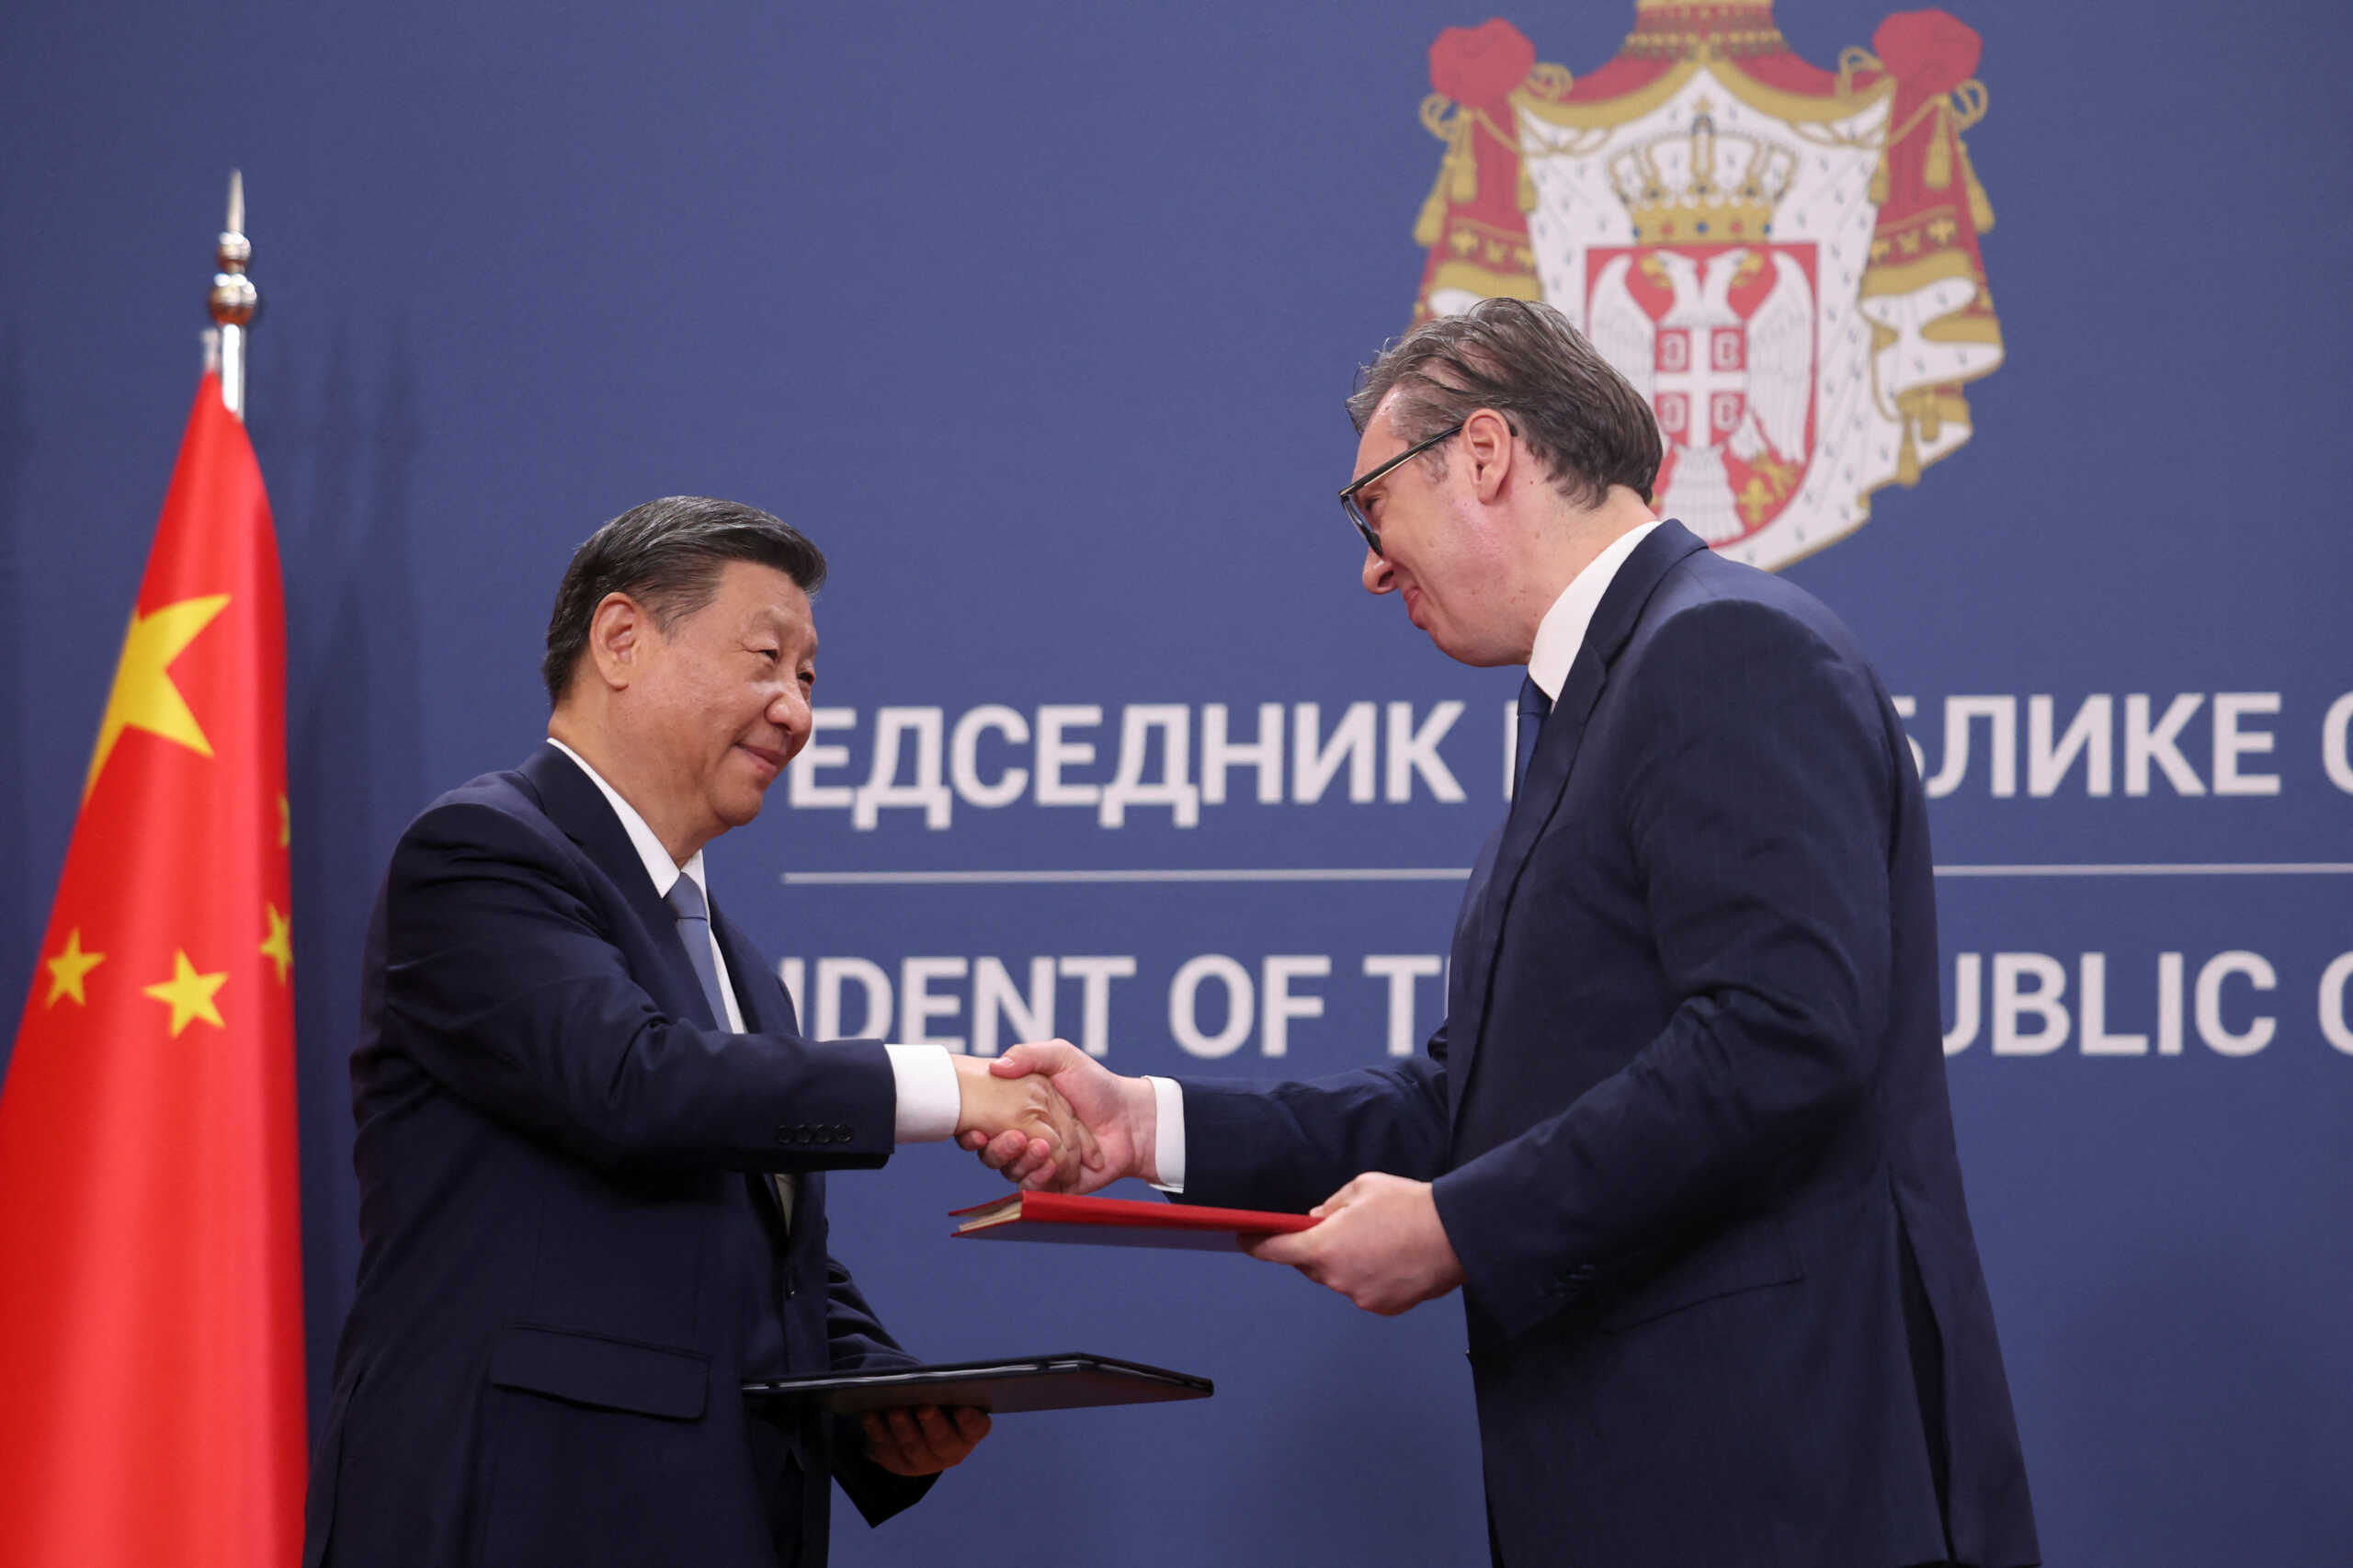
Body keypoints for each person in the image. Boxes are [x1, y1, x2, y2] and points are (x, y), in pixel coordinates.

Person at [968, 300, 2040, 1567]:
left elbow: (1780, 1038)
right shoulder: (1597, 699)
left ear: (1484, 455)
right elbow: (1470, 1101)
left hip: (1779, 1483)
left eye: (1371, 507)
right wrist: (1148, 1125)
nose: (1370, 565)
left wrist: (1460, 1227)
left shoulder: (1723, 649)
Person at [303, 496, 1086, 1568]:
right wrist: (952, 1085)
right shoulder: (479, 853)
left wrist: (877, 1395)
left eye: (808, 679)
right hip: (517, 1513)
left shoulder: (739, 963)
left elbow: (747, 1239)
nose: (796, 712)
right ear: (621, 639)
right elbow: (633, 1085)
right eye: (767, 658)